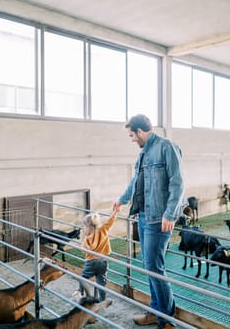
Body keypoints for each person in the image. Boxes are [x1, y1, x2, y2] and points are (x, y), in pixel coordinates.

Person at [113, 114, 184, 329]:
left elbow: (177, 182)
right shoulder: (143, 154)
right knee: (148, 266)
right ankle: (155, 311)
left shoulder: (167, 147)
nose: (131, 139)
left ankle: (166, 318)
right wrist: (122, 199)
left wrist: (170, 214)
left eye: (131, 135)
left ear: (140, 131)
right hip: (143, 216)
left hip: (159, 218)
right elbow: (136, 181)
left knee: (155, 267)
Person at [79, 209, 118, 302]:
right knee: (101, 281)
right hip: (103, 260)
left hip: (91, 261)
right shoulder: (103, 229)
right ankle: (102, 299)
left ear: (87, 226)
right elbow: (111, 220)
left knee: (83, 278)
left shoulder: (87, 238)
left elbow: (84, 250)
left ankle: (82, 294)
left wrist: (86, 237)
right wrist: (115, 212)